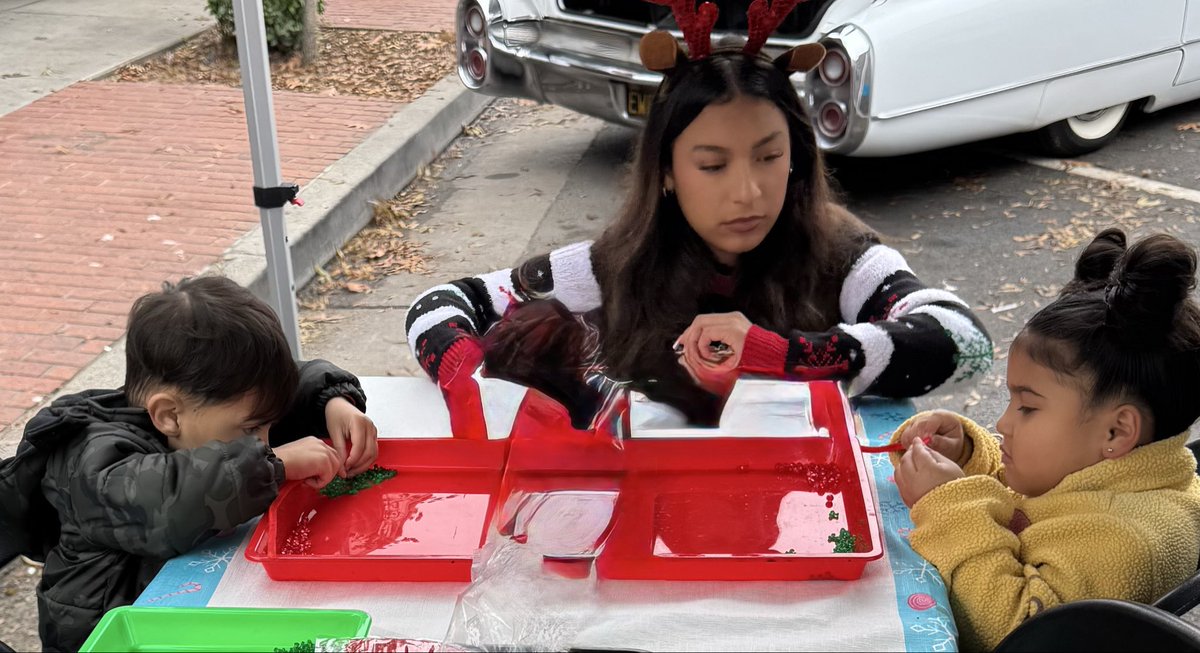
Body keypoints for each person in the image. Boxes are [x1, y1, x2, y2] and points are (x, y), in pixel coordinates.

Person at [404, 5, 992, 431]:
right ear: (666, 170)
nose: (748, 192)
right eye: (712, 166)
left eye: (770, 157)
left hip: (809, 519)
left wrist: (783, 355)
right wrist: (470, 377)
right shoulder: (615, 262)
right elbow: (440, 305)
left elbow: (966, 342)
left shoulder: (840, 254)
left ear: (798, 159)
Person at [0, 276, 379, 652]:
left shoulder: (203, 409)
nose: (264, 440)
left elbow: (287, 382)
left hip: (187, 617)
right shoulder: (92, 460)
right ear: (168, 415)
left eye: (269, 428)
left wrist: (331, 401)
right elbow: (170, 499)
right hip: (110, 639)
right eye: (251, 429)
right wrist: (273, 464)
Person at [888, 229, 1200, 651]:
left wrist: (948, 505)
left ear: (1116, 432)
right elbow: (1028, 500)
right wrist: (964, 453)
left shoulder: (1122, 541)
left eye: (1027, 408)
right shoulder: (1106, 471)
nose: (1002, 422)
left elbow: (1008, 630)